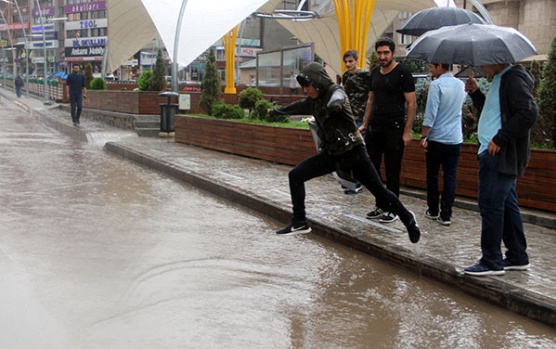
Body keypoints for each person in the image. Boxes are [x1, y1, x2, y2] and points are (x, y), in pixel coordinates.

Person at [269, 62, 420, 244]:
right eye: (303, 87)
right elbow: (295, 107)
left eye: (308, 86)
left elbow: (339, 97)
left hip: (354, 153)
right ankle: (300, 222)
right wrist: (275, 111)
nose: (305, 90)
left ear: (317, 81)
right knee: (296, 175)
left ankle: (407, 218)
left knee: (380, 192)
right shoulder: (312, 102)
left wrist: (333, 106)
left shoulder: (335, 92)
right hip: (333, 155)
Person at [463, 63, 537, 277]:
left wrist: (500, 138)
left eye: (485, 61)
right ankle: (517, 256)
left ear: (497, 58)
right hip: (493, 153)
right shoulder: (500, 79)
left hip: (499, 155)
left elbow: (528, 112)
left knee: (490, 204)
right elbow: (496, 112)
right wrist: (476, 93)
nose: (482, 65)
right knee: (506, 204)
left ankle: (491, 260)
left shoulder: (512, 77)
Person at [359, 37, 417, 224]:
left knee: (393, 169)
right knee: (372, 169)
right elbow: (370, 99)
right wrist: (365, 124)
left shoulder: (403, 73)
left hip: (395, 127)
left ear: (392, 53)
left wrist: (407, 131)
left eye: (386, 53)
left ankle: (393, 208)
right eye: (379, 53)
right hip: (375, 127)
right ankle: (380, 205)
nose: (382, 56)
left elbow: (411, 103)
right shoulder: (375, 72)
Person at [420, 63, 466, 226]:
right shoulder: (461, 85)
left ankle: (433, 210)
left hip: (437, 138)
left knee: (432, 175)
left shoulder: (436, 85)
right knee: (450, 176)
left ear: (440, 66)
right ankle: (446, 214)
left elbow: (431, 113)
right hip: (455, 138)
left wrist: (424, 135)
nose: (430, 69)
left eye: (432, 66)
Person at [340, 49, 371, 195]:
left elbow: (371, 94)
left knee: (358, 150)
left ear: (356, 61)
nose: (348, 64)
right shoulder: (345, 76)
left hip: (361, 116)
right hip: (349, 117)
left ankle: (358, 182)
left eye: (350, 61)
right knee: (349, 150)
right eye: (346, 61)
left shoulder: (365, 75)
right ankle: (350, 181)